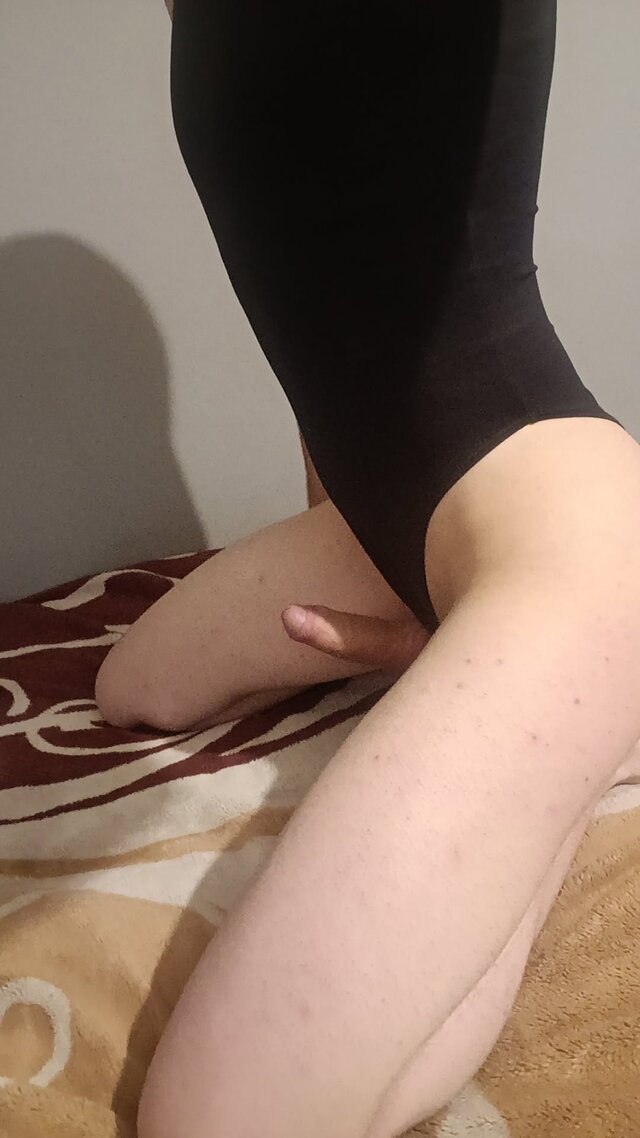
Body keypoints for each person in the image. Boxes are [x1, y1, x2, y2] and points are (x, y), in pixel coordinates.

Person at [96, 3, 640, 1136]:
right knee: (133, 689)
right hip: (395, 523)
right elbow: (336, 325)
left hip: (570, 543)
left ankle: (577, 735)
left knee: (213, 1117)